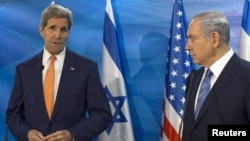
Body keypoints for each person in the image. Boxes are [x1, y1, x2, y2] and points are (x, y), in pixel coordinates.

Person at [5, 3, 112, 141]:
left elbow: (102, 114)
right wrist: (27, 133)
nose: (58, 35)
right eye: (52, 28)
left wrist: (73, 134)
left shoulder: (86, 68)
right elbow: (13, 114)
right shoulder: (25, 70)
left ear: (68, 32)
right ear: (41, 30)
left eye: (63, 30)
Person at [183, 11, 250, 141]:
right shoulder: (193, 78)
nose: (187, 46)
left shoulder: (247, 76)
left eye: (193, 38)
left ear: (214, 39)